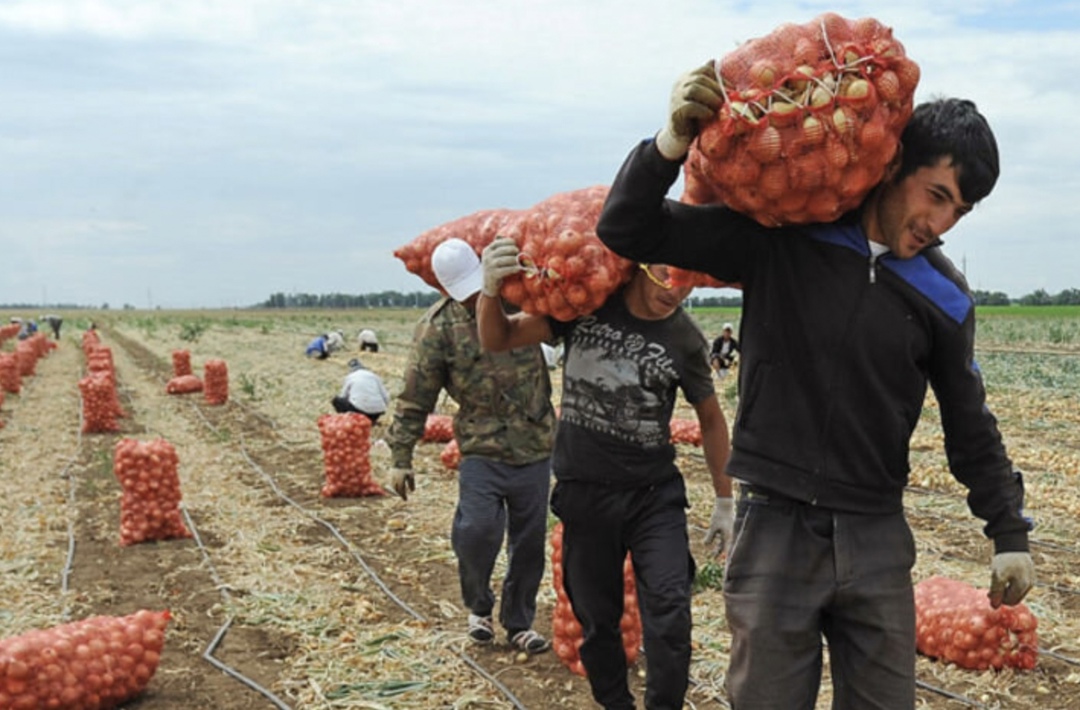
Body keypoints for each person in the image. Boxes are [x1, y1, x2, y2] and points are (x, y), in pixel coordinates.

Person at [594, 60, 1035, 708]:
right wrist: (667, 145)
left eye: (959, 211)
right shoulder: (785, 238)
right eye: (936, 195)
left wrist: (1009, 533)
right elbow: (628, 229)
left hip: (877, 532)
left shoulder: (946, 298)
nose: (940, 223)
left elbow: (971, 424)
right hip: (776, 523)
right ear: (894, 164)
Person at [477, 237, 733, 710]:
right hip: (585, 495)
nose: (673, 291)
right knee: (597, 622)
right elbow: (499, 338)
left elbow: (712, 418)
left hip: (654, 495)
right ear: (639, 265)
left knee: (671, 613)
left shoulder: (686, 339)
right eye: (664, 274)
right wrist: (489, 290)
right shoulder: (585, 308)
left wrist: (724, 500)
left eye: (686, 283)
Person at [386, 237, 557, 656]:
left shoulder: (520, 302)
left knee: (529, 542)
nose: (473, 298)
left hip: (535, 443)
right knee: (477, 530)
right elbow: (415, 395)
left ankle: (518, 623)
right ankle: (478, 607)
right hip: (481, 447)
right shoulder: (437, 328)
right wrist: (401, 457)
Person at [331, 358, 390, 424]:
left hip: (359, 411)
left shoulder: (350, 377)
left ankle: (350, 422)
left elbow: (343, 396)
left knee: (336, 401)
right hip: (377, 412)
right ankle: (371, 421)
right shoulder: (374, 376)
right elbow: (385, 396)